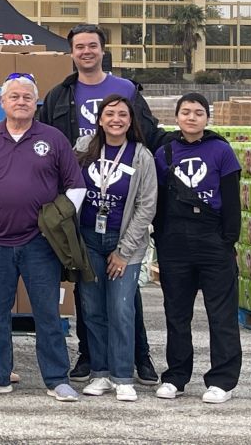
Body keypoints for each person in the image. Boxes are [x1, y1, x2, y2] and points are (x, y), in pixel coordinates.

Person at [37, 22, 162, 386]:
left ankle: (139, 356)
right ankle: (92, 358)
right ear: (72, 53)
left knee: (124, 298)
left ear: (102, 50)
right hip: (83, 208)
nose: (86, 52)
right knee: (88, 294)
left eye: (92, 45)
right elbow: (47, 142)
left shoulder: (125, 89)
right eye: (80, 47)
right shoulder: (62, 94)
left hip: (122, 205)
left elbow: (151, 134)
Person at [0, 73, 86, 402]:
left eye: (27, 97)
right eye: (13, 97)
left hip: (40, 244)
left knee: (47, 313)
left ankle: (57, 378)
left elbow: (76, 187)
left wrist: (56, 221)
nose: (20, 102)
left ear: (36, 102)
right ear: (1, 102)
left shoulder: (54, 139)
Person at [154, 93, 242, 405]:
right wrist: (161, 239)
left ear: (207, 118)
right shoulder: (164, 152)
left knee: (221, 314)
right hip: (175, 242)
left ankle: (222, 380)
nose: (192, 117)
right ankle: (176, 376)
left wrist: (227, 240)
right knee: (176, 314)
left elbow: (232, 199)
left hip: (213, 240)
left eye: (198, 112)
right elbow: (158, 201)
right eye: (186, 112)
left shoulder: (221, 150)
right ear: (176, 117)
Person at [76, 94, 158, 403]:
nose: (116, 119)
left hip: (124, 243)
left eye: (122, 114)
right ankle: (100, 373)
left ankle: (123, 376)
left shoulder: (141, 156)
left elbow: (146, 206)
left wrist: (123, 251)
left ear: (131, 120)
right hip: (88, 240)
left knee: (121, 309)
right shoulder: (83, 149)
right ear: (99, 119)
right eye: (109, 114)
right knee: (93, 309)